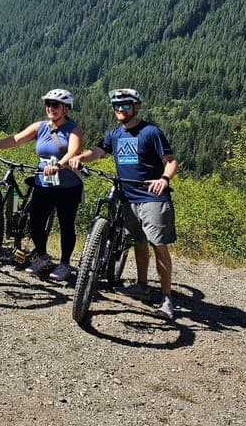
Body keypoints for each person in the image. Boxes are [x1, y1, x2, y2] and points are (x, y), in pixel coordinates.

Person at [68, 88, 179, 321]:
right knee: (138, 241)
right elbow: (98, 151)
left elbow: (171, 161)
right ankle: (141, 285)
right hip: (127, 197)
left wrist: (164, 179)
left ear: (136, 107)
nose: (120, 109)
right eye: (116, 105)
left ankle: (167, 298)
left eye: (125, 105)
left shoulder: (150, 132)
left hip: (152, 197)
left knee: (158, 244)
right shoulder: (115, 134)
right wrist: (79, 158)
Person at [0, 89, 83, 281]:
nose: (50, 108)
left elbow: (73, 151)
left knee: (66, 225)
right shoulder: (41, 126)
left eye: (55, 105)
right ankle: (42, 257)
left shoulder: (73, 129)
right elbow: (16, 139)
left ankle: (65, 264)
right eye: (48, 104)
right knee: (35, 222)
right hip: (43, 183)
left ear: (66, 108)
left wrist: (60, 166)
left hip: (67, 185)